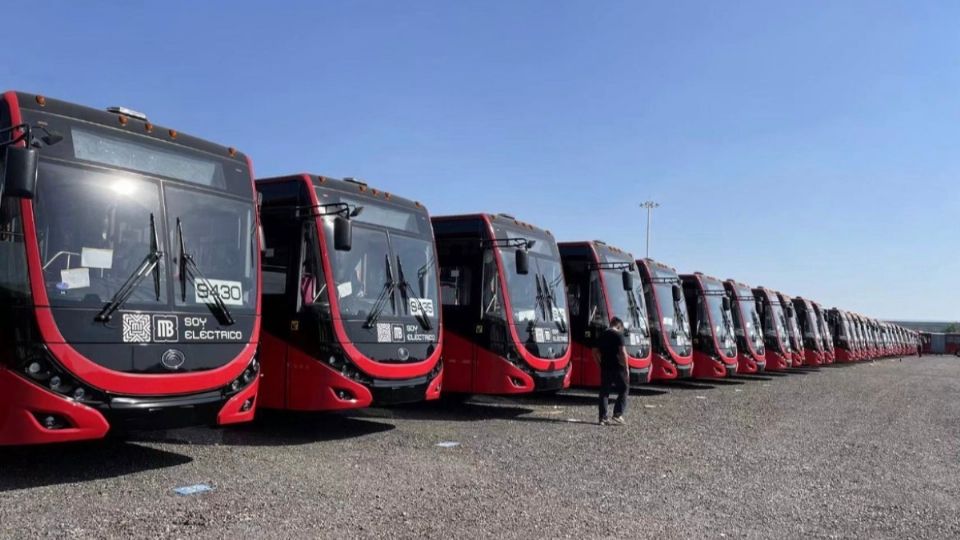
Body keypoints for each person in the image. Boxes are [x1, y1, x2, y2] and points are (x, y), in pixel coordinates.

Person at [594, 317, 629, 426]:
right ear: (619, 326)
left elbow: (594, 351)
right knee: (624, 388)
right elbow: (623, 352)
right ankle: (617, 414)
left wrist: (599, 364)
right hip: (618, 367)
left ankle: (603, 418)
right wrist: (626, 368)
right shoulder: (618, 335)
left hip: (605, 367)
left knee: (604, 392)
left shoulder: (602, 334)